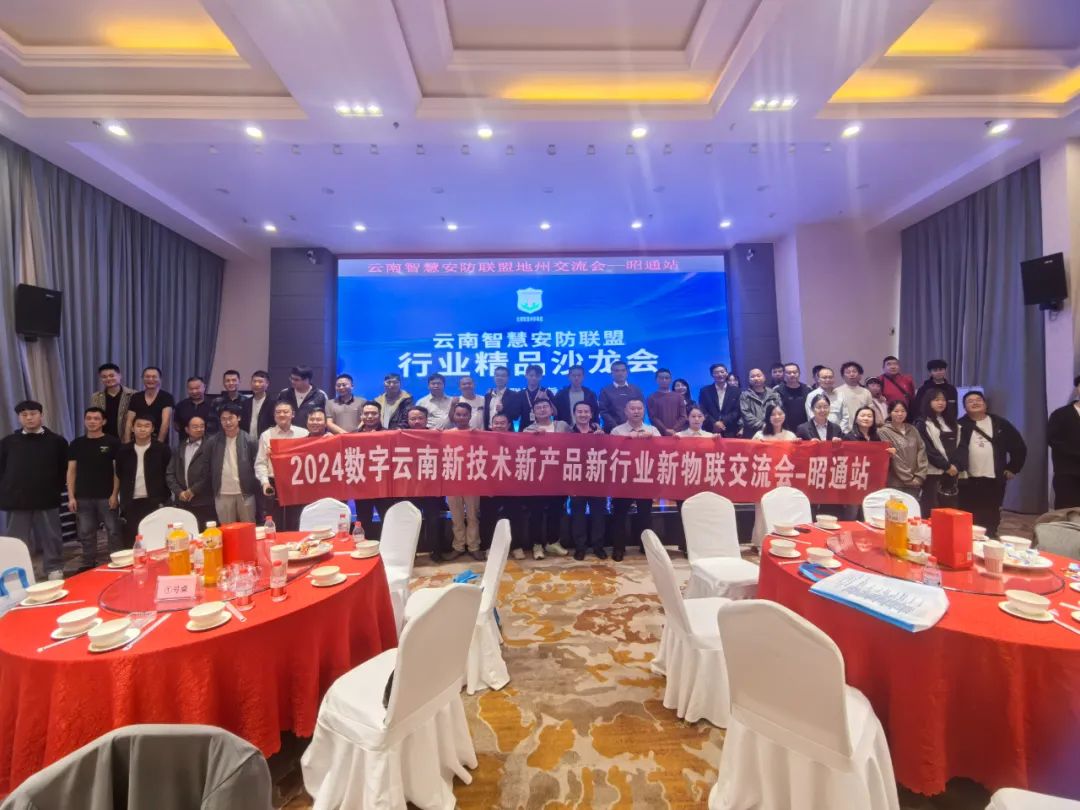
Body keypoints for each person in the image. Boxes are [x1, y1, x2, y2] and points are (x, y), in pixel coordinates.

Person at [0, 401, 68, 578]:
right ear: (19, 418)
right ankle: (15, 570)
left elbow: (64, 469)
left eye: (33, 414)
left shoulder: (56, 441)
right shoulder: (8, 442)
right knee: (16, 539)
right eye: (24, 415)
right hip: (17, 499)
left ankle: (54, 567)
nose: (29, 418)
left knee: (51, 536)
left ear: (41, 415)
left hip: (46, 497)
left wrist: (55, 488)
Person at [957, 390, 1026, 537]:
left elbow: (1018, 446)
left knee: (991, 513)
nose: (975, 403)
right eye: (970, 401)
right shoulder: (960, 425)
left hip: (994, 478)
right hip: (967, 479)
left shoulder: (1000, 423)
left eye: (978, 400)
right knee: (967, 512)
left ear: (985, 404)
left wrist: (1013, 468)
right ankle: (967, 539)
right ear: (964, 407)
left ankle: (990, 537)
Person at [66, 406, 122, 571]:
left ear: (103, 422)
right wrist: (71, 496)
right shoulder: (77, 444)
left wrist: (115, 494)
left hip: (107, 496)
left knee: (113, 531)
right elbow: (71, 471)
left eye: (96, 418)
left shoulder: (113, 442)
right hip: (83, 496)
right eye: (88, 418)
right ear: (84, 421)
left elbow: (117, 471)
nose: (92, 422)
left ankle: (117, 562)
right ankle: (88, 563)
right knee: (85, 533)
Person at [189, 403, 259, 524]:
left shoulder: (250, 440)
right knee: (227, 530)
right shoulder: (212, 442)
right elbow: (206, 469)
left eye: (231, 418)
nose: (227, 422)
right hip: (222, 493)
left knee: (248, 528)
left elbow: (257, 466)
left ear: (238, 418)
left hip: (245, 493)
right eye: (223, 419)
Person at [610, 398, 659, 561]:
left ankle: (647, 548)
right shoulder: (617, 431)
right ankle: (618, 548)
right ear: (625, 411)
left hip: (644, 479)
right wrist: (628, 438)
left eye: (639, 408)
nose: (636, 411)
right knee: (619, 516)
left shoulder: (652, 430)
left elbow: (661, 452)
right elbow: (611, 452)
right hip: (623, 480)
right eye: (632, 408)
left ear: (643, 411)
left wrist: (652, 439)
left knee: (645, 515)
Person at [522, 395, 570, 560]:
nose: (542, 410)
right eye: (538, 408)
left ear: (551, 410)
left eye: (545, 407)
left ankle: (553, 542)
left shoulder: (562, 426)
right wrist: (533, 438)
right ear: (533, 412)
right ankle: (537, 545)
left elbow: (575, 443)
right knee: (536, 513)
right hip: (538, 478)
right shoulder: (528, 430)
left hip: (558, 477)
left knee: (555, 511)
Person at [116, 414, 171, 548]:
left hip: (155, 500)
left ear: (152, 429)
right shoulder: (124, 450)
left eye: (147, 426)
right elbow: (118, 473)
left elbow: (169, 473)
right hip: (131, 501)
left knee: (156, 537)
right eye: (139, 426)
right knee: (132, 538)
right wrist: (115, 496)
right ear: (132, 428)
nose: (142, 429)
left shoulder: (162, 449)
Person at [480, 411, 530, 559]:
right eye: (496, 423)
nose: (499, 426)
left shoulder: (517, 440)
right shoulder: (483, 440)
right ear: (491, 425)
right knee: (488, 518)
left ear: (508, 425)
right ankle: (488, 547)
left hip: (512, 486)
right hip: (490, 486)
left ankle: (516, 546)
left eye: (502, 423)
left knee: (515, 517)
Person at [255, 401, 309, 531]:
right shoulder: (266, 435)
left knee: (296, 522)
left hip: (297, 484)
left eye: (285, 412)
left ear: (293, 414)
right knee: (275, 523)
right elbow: (260, 463)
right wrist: (265, 483)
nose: (282, 415)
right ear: (274, 416)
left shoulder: (303, 434)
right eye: (278, 412)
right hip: (274, 483)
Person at [404, 406, 448, 561]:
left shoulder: (436, 435)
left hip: (431, 487)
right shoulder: (401, 436)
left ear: (426, 419)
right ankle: (411, 552)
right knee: (411, 520)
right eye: (413, 419)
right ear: (408, 420)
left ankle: (436, 551)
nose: (417, 421)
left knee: (433, 520)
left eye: (420, 418)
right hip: (409, 487)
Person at [568, 401, 608, 560]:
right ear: (574, 414)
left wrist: (603, 439)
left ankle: (598, 546)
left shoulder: (600, 433)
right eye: (579, 411)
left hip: (597, 479)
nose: (583, 414)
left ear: (591, 414)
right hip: (576, 480)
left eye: (586, 411)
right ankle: (580, 547)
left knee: (599, 515)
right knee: (578, 516)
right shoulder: (568, 434)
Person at [445, 402, 483, 561]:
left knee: (473, 516)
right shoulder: (446, 434)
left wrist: (479, 437)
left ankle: (474, 546)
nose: (461, 417)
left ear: (470, 416)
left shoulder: (478, 434)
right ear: (453, 416)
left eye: (465, 414)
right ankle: (458, 546)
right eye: (458, 414)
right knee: (456, 516)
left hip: (472, 480)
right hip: (452, 480)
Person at [917, 390, 964, 513]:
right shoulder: (922, 423)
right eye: (936, 400)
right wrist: (946, 466)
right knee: (931, 508)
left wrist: (956, 465)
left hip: (952, 472)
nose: (941, 403)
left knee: (949, 508)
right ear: (928, 402)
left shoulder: (952, 422)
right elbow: (926, 448)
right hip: (933, 472)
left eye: (943, 400)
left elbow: (961, 445)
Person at [166, 415, 216, 530]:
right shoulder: (180, 447)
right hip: (182, 502)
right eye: (195, 427)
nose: (199, 429)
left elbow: (210, 473)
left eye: (202, 426)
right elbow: (170, 473)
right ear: (187, 429)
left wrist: (193, 490)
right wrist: (179, 492)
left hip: (204, 502)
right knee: (186, 534)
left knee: (206, 535)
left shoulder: (210, 446)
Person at [878, 401, 928, 501]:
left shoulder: (912, 429)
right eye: (896, 411)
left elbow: (921, 451)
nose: (900, 414)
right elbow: (893, 457)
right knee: (895, 509)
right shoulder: (883, 431)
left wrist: (920, 476)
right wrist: (909, 478)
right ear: (889, 413)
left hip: (916, 481)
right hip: (895, 482)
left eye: (903, 411)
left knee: (913, 509)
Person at [354, 403, 389, 539]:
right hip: (362, 486)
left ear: (380, 415)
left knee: (387, 518)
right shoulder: (352, 436)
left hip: (383, 486)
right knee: (363, 520)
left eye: (373, 413)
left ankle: (388, 548)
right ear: (361, 416)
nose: (369, 416)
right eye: (366, 413)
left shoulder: (389, 434)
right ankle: (364, 547)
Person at [1047, 375, 1080, 509]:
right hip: (1067, 473)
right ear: (1077, 389)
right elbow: (1052, 439)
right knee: (1067, 511)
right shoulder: (1060, 414)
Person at [124, 366, 174, 444]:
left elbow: (165, 422)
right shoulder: (135, 397)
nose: (150, 379)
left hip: (159, 440)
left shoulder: (166, 397)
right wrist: (127, 442)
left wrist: (158, 444)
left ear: (160, 379)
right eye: (147, 377)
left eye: (154, 377)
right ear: (143, 379)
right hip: (137, 441)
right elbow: (129, 421)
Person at [90, 363, 134, 440]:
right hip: (103, 439)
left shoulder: (132, 395)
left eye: (111, 375)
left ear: (120, 376)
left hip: (126, 439)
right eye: (104, 377)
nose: (108, 379)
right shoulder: (96, 397)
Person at [598, 361, 645, 433]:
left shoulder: (636, 390)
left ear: (627, 372)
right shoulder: (605, 390)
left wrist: (637, 426)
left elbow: (641, 409)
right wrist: (617, 428)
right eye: (617, 371)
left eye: (623, 370)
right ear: (611, 373)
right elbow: (603, 411)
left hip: (634, 430)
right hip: (612, 430)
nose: (620, 373)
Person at [698, 362, 740, 437]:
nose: (720, 374)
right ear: (712, 375)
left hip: (730, 429)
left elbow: (737, 411)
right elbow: (702, 410)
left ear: (726, 373)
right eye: (716, 372)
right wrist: (714, 423)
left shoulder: (736, 391)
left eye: (722, 372)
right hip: (710, 429)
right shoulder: (705, 391)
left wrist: (723, 422)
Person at [739, 368, 780, 438]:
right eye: (752, 376)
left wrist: (771, 425)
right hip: (752, 433)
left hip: (772, 431)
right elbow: (746, 414)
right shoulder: (745, 395)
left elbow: (779, 411)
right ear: (749, 380)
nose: (756, 378)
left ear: (764, 377)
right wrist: (763, 425)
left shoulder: (773, 393)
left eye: (758, 376)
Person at [647, 368, 688, 436]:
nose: (664, 380)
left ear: (670, 379)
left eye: (667, 378)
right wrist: (665, 429)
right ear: (656, 380)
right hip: (658, 434)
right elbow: (653, 418)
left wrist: (674, 429)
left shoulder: (679, 397)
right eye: (661, 378)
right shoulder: (651, 398)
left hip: (677, 434)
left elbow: (683, 416)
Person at [836, 362, 873, 433]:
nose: (851, 374)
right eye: (848, 372)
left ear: (860, 375)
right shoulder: (837, 392)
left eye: (854, 371)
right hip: (843, 431)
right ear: (843, 376)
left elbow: (870, 412)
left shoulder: (866, 392)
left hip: (862, 430)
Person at [518, 365, 557, 430]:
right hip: (524, 428)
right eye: (531, 375)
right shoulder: (520, 394)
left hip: (544, 428)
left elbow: (555, 413)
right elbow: (516, 416)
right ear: (526, 376)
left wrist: (548, 400)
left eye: (537, 376)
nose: (534, 378)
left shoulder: (547, 392)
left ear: (541, 377)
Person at [775, 363, 811, 432]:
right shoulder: (777, 390)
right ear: (784, 374)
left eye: (795, 372)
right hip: (785, 429)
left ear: (799, 373)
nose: (792, 375)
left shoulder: (807, 389)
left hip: (806, 429)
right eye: (789, 373)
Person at [210, 370, 248, 435]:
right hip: (221, 437)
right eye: (227, 381)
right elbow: (212, 424)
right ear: (224, 383)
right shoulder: (217, 402)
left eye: (234, 380)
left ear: (239, 381)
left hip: (241, 437)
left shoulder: (247, 402)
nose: (231, 383)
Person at [242, 370, 275, 441]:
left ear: (267, 384)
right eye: (254, 381)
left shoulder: (273, 403)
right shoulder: (246, 403)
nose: (256, 384)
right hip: (247, 441)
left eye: (260, 382)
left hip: (265, 441)